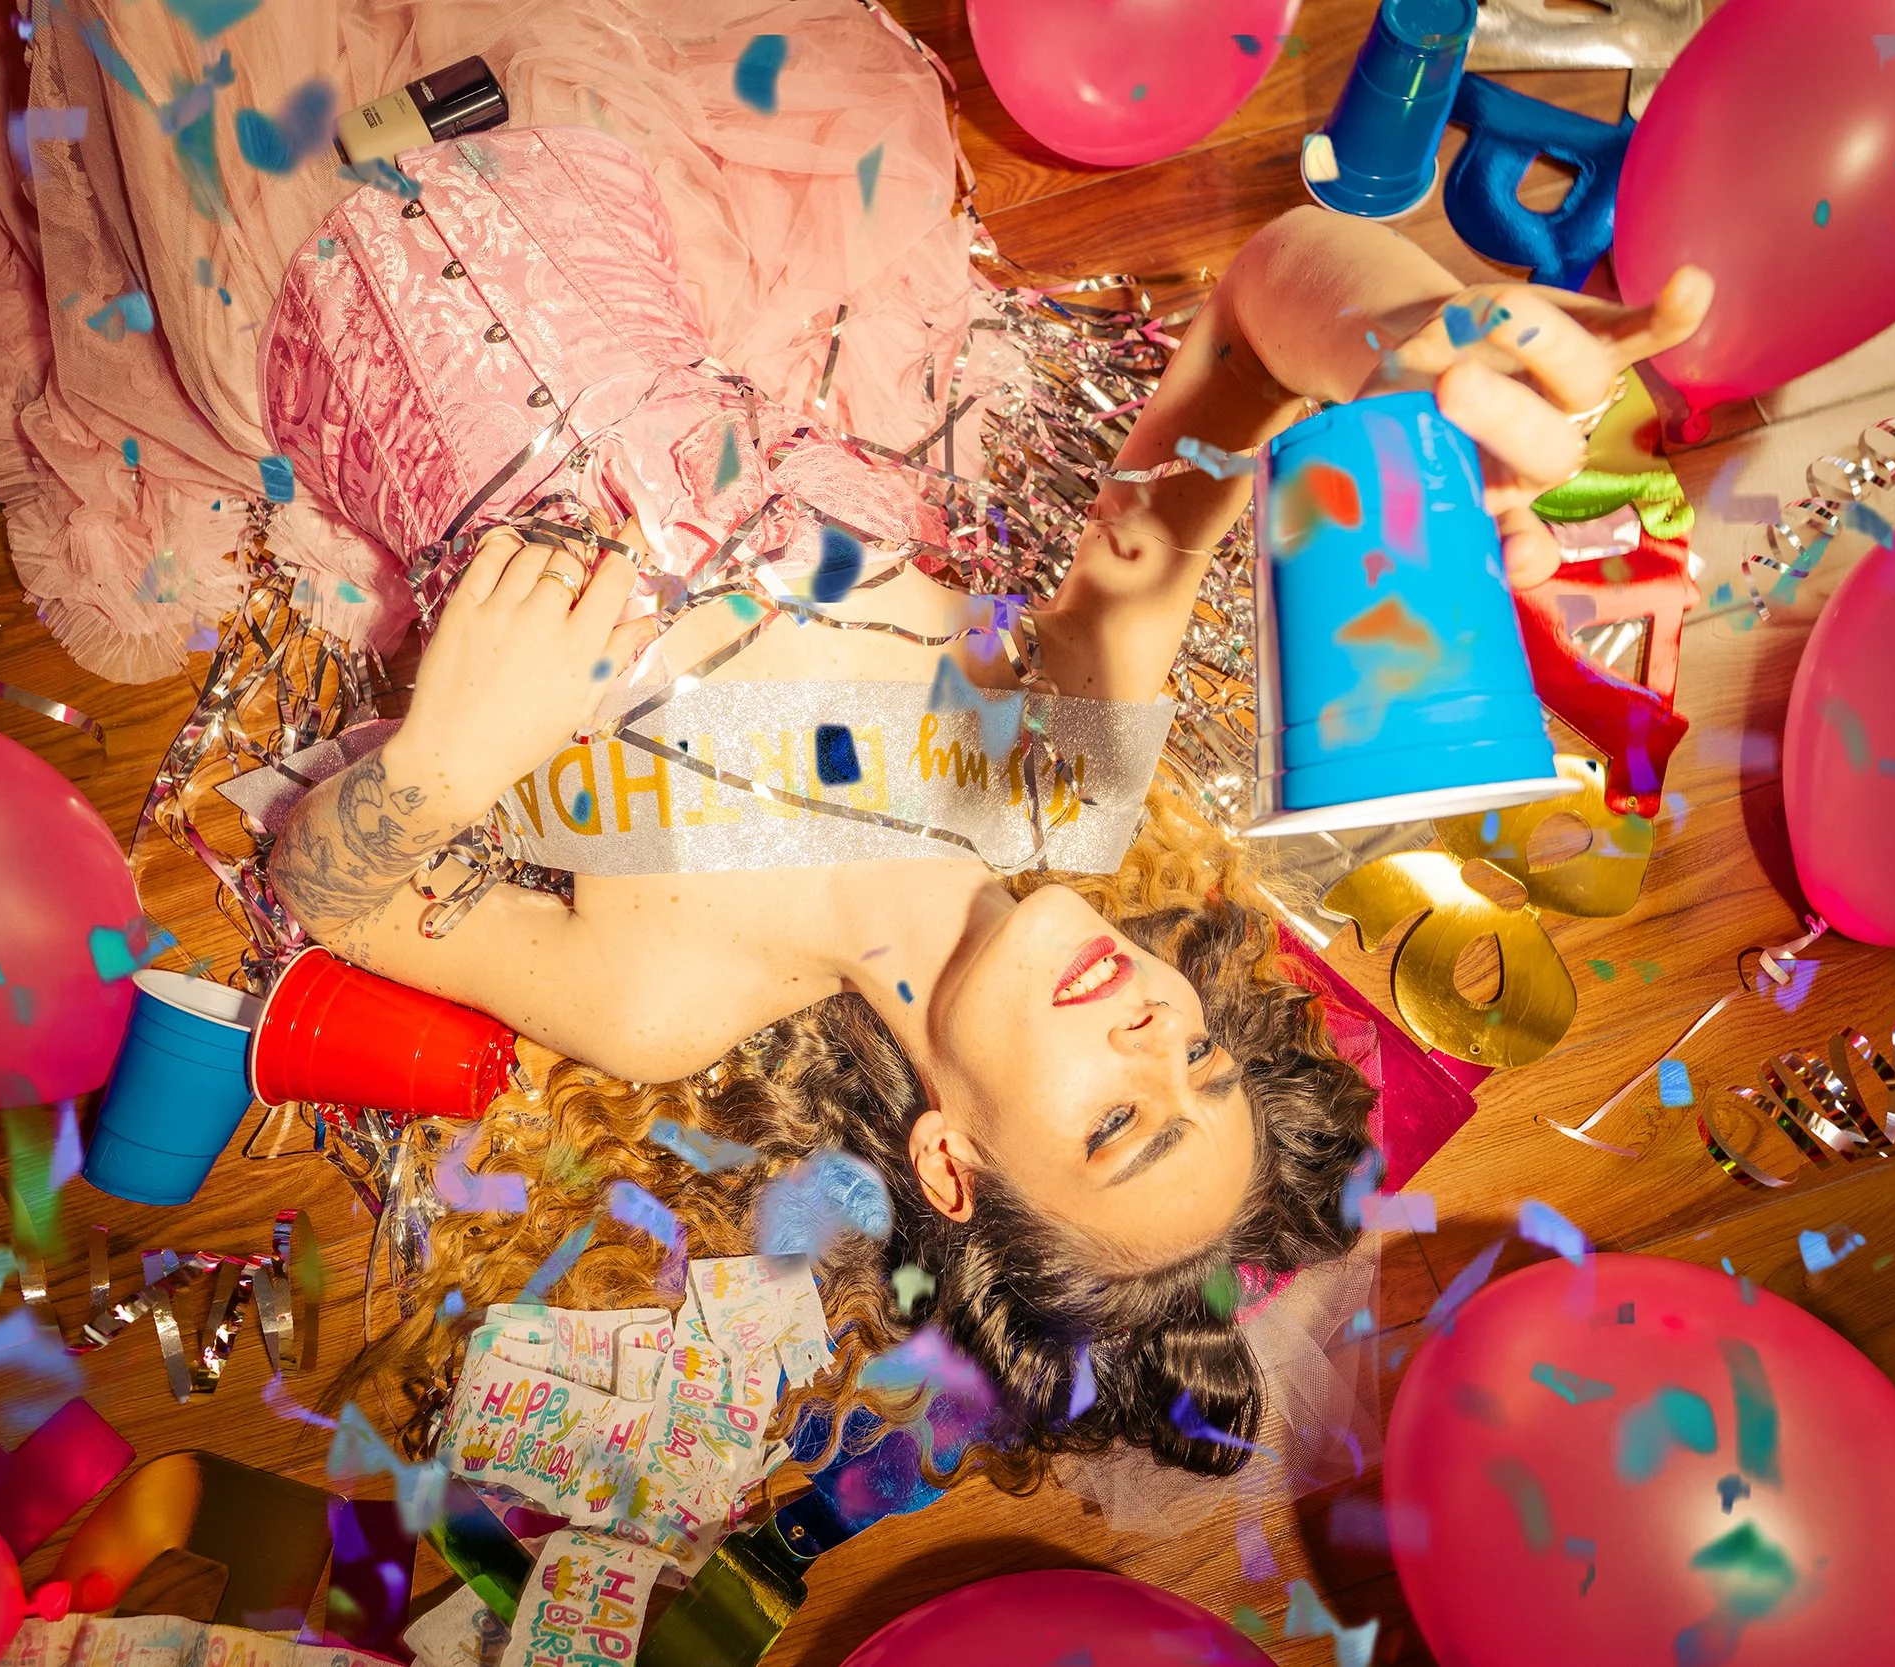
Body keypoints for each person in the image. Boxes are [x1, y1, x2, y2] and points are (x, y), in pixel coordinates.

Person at [262, 123, 1710, 1477]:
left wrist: (442, 770)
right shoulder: (1063, 776)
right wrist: (1408, 341)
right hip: (566, 150)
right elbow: (1251, 333)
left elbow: (319, 889)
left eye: (1118, 1124)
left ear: (951, 1165)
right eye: (1203, 1060)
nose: (1156, 1030)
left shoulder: (667, 1004)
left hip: (279, 291)